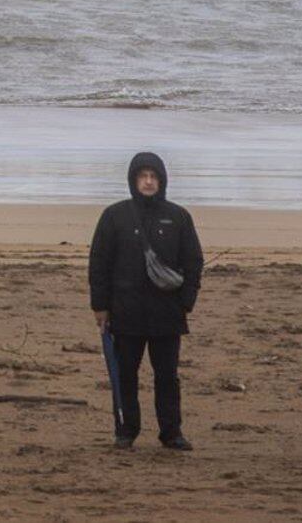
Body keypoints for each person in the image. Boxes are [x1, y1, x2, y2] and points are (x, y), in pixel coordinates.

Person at [88, 150, 204, 451]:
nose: (148, 182)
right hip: (125, 313)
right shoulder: (115, 216)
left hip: (167, 314)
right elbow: (98, 263)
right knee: (126, 375)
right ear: (133, 180)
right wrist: (100, 306)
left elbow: (193, 261)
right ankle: (126, 431)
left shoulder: (178, 216)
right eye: (143, 176)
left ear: (162, 180)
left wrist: (185, 302)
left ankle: (171, 432)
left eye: (153, 177)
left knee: (167, 377)